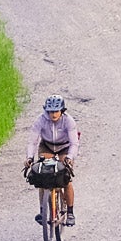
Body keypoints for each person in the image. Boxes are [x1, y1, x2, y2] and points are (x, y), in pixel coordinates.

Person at [24, 95, 79, 226]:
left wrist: (70, 158)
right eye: (50, 111)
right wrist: (29, 157)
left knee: (66, 178)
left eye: (56, 111)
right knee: (42, 176)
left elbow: (74, 143)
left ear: (62, 110)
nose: (53, 115)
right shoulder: (40, 120)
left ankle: (70, 212)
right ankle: (43, 212)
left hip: (64, 147)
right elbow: (32, 141)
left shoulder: (69, 121)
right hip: (47, 146)